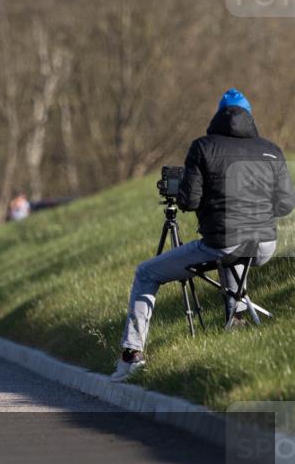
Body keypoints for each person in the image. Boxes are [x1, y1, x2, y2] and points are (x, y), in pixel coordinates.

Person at [113, 88, 294, 382]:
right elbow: (285, 204)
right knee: (236, 251)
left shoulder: (204, 147)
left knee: (146, 272)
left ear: (218, 115)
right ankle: (235, 322)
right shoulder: (271, 150)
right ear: (249, 116)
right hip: (264, 245)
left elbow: (189, 201)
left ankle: (131, 355)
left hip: (223, 243)